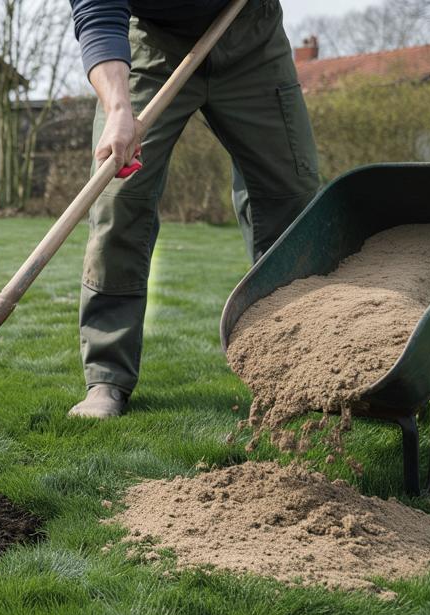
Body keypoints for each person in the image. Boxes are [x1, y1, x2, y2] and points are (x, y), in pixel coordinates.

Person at [67, 0, 319, 418]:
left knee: (292, 196)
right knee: (119, 199)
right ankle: (106, 378)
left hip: (250, 34)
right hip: (154, 43)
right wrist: (118, 108)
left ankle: (300, 365)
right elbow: (98, 13)